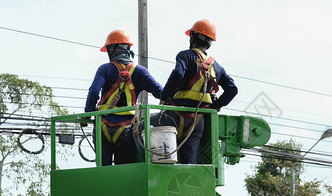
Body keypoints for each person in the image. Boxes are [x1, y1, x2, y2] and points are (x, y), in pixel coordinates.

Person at [153, 19, 238, 164]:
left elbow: (178, 74)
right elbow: (232, 89)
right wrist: (215, 105)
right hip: (198, 121)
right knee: (189, 161)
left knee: (141, 127)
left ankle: (151, 165)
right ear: (209, 43)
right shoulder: (216, 67)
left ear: (193, 37)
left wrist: (164, 97)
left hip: (175, 115)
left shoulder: (185, 56)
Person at [85, 30, 162, 166]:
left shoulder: (105, 69)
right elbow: (160, 92)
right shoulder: (140, 71)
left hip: (102, 127)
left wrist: (87, 114)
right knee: (123, 171)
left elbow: (93, 92)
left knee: (103, 173)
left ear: (112, 50)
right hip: (125, 129)